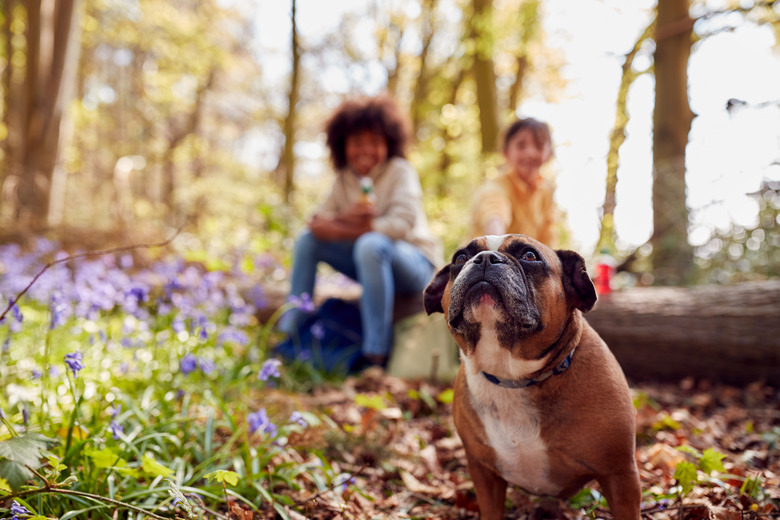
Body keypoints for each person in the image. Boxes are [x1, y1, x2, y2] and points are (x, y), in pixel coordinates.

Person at [279, 95, 442, 367]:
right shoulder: (344, 179)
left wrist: (354, 228)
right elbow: (318, 222)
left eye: (374, 142)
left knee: (370, 244)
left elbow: (402, 225)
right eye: (357, 142)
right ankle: (290, 331)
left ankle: (375, 353)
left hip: (416, 266)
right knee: (308, 241)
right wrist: (347, 218)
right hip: (370, 259)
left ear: (389, 143)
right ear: (342, 146)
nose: (365, 150)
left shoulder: (400, 171)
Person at [469, 118, 559, 245]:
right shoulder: (496, 186)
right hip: (487, 259)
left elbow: (547, 240)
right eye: (521, 145)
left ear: (549, 154)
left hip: (520, 263)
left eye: (539, 146)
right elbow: (494, 216)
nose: (530, 153)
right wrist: (497, 246)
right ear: (506, 152)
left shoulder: (546, 191)